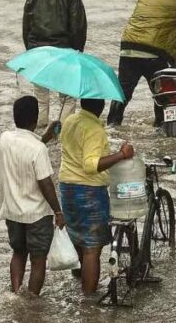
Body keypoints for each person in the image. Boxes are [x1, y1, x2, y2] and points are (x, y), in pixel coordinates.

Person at [58, 98, 135, 295]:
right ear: (101, 107)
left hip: (67, 188)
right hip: (89, 190)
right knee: (92, 249)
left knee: (78, 240)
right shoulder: (93, 129)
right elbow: (91, 165)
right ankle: (88, 302)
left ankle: (81, 285)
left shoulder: (70, 121)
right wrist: (121, 155)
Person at [0, 96, 65, 296]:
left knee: (18, 253)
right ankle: (32, 300)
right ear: (35, 120)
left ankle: (16, 293)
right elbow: (45, 183)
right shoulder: (38, 149)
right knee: (38, 259)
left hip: (13, 211)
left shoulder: (5, 139)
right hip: (36, 214)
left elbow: (27, 148)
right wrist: (58, 211)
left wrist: (46, 137)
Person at [22, 0, 88, 129]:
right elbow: (78, 27)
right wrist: (77, 51)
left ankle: (40, 127)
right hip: (64, 52)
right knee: (67, 96)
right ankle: (64, 130)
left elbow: (26, 25)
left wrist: (30, 49)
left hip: (37, 52)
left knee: (41, 97)